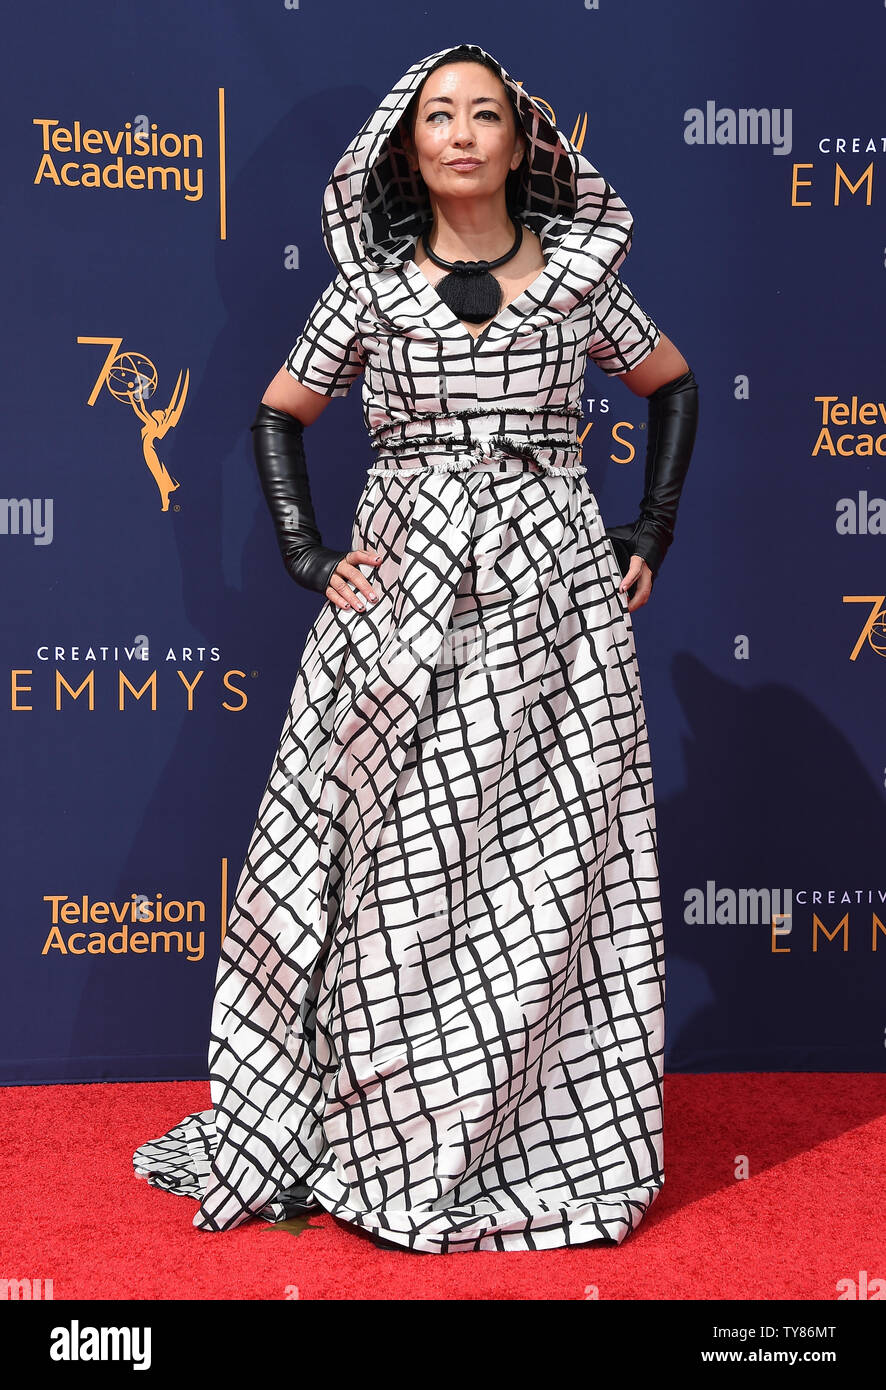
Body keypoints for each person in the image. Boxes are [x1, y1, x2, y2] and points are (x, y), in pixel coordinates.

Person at [133, 41, 698, 1255]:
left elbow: (672, 384)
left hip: (555, 597)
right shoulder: (368, 289)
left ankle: (532, 1135)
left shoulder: (583, 276)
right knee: (398, 860)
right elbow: (281, 413)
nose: (458, 133)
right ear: (404, 145)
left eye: (482, 114)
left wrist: (647, 523)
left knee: (550, 861)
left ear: (521, 139)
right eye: (436, 115)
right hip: (403, 590)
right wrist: (305, 552)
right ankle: (392, 1130)